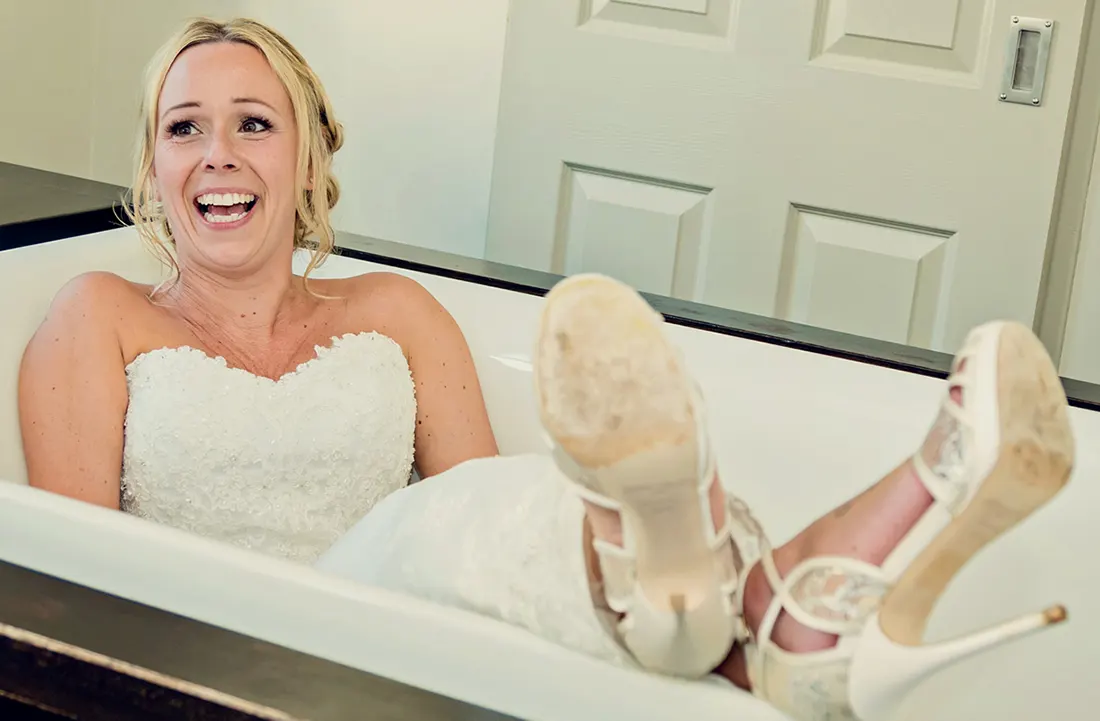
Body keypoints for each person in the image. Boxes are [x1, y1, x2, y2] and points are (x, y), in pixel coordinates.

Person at [15, 16, 1074, 721]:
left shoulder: (397, 311)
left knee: (514, 505)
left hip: (400, 645)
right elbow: (72, 582)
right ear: (154, 167)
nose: (218, 153)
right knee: (486, 517)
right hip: (220, 650)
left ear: (306, 159)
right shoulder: (97, 315)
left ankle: (765, 588)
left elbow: (494, 526)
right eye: (185, 129)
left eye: (254, 123)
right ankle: (816, 585)